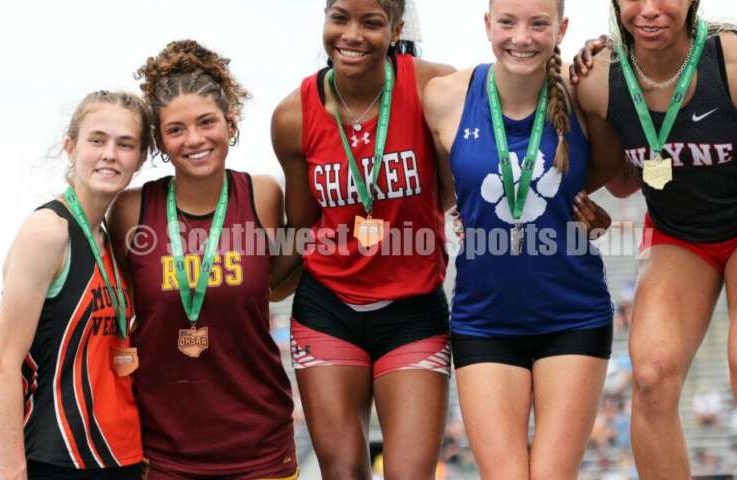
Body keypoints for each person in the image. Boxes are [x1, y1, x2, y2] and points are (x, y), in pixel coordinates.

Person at [571, 1, 737, 477]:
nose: (649, 10)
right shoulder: (596, 81)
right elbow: (625, 182)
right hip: (679, 236)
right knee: (649, 378)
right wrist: (574, 205)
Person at [423, 0, 620, 478]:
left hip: (572, 316)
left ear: (562, 28)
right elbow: (445, 187)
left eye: (538, 24)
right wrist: (463, 214)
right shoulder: (446, 96)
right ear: (487, 25)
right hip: (484, 321)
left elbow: (617, 175)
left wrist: (597, 217)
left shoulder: (582, 94)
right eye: (507, 22)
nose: (522, 37)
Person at [271, 1, 456, 478]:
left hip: (413, 308)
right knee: (344, 472)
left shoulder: (434, 86)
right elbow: (302, 223)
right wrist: (250, 285)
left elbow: (456, 189)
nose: (351, 34)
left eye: (371, 22)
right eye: (339, 18)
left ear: (395, 29)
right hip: (327, 307)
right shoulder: (293, 114)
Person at [108, 40, 299, 480]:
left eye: (206, 122)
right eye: (176, 129)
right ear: (159, 140)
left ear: (230, 122)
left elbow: (279, 281)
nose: (194, 139)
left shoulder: (263, 196)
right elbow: (110, 299)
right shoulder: (130, 210)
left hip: (260, 445)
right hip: (163, 450)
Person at [0, 91, 152, 479]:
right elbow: (2, 365)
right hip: (56, 458)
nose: (110, 153)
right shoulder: (48, 231)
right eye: (97, 140)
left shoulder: (111, 239)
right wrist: (13, 472)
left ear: (140, 158)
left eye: (125, 144)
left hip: (120, 459)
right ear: (70, 147)